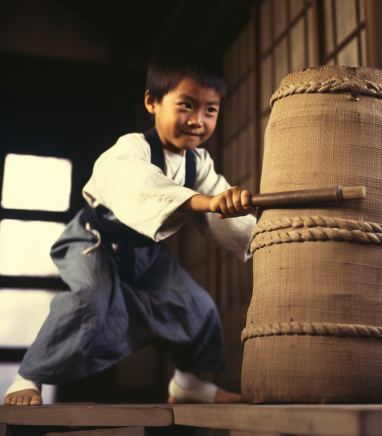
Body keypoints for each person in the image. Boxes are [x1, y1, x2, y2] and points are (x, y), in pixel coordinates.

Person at [4, 45, 256, 406]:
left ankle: (187, 383)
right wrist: (210, 203)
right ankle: (29, 376)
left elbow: (219, 201)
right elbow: (143, 189)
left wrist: (253, 228)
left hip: (146, 253)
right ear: (152, 101)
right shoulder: (131, 149)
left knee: (198, 305)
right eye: (186, 104)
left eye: (210, 110)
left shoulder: (198, 162)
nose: (198, 119)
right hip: (95, 240)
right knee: (89, 299)